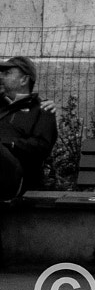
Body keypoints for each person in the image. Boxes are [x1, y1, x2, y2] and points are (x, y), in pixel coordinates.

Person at [0, 55, 56, 201]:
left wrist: (9, 143)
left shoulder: (42, 111)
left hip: (17, 177)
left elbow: (41, 147)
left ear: (24, 80)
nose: (1, 77)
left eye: (7, 74)